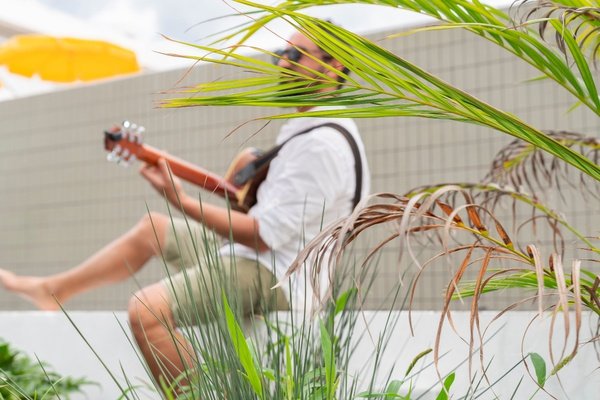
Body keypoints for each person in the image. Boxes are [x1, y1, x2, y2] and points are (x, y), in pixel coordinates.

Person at [0, 28, 370, 389]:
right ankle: (54, 290)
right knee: (153, 228)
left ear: (333, 66)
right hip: (260, 261)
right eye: (279, 54)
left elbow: (262, 236)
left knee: (147, 311)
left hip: (282, 280)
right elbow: (261, 221)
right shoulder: (307, 133)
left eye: (292, 55)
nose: (281, 64)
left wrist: (183, 201)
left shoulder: (321, 145)